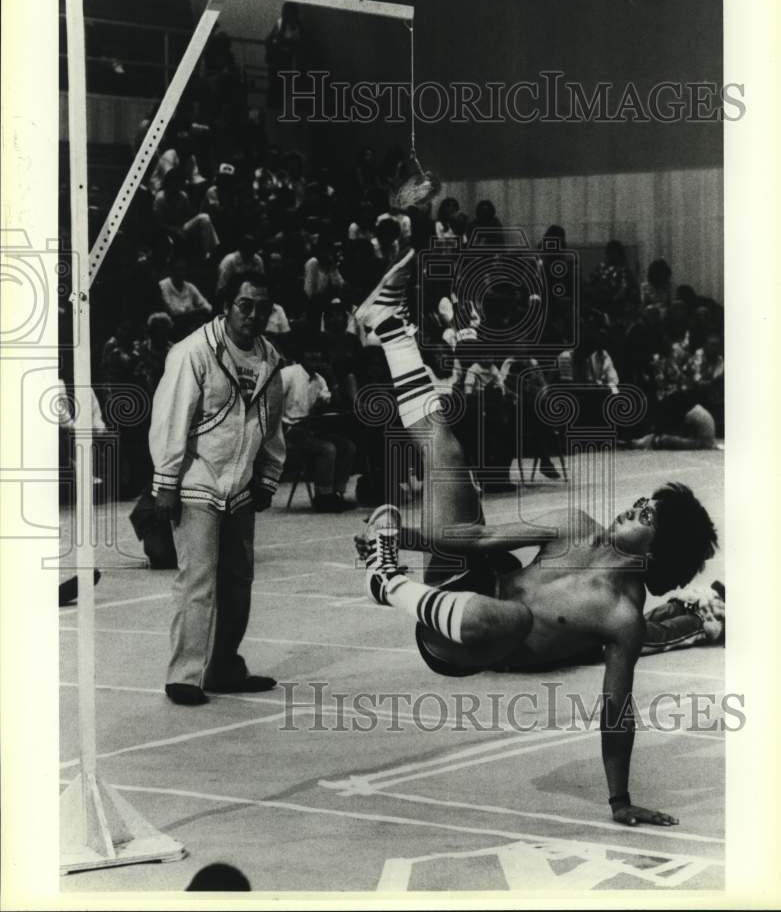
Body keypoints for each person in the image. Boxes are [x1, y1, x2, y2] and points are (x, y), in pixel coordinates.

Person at [351, 248, 718, 827]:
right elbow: (472, 536)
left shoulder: (624, 617)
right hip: (462, 584)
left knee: (514, 620)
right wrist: (409, 536)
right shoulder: (575, 524)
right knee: (444, 445)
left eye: (648, 514)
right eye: (645, 500)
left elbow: (615, 708)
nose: (635, 505)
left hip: (463, 643)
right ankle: (388, 324)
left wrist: (620, 801)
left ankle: (385, 583)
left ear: (658, 550)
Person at [149, 272, 286, 706]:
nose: (253, 314)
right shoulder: (193, 352)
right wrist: (166, 482)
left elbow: (272, 425)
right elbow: (172, 418)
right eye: (245, 305)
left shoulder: (269, 359)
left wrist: (267, 475)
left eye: (261, 307)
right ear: (226, 305)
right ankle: (184, 676)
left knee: (238, 582)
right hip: (196, 482)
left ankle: (223, 666)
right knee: (198, 580)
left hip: (240, 485)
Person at [281, 330, 357, 512]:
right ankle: (323, 497)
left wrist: (331, 378)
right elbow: (271, 403)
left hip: (312, 428)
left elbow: (331, 404)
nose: (315, 356)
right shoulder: (288, 374)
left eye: (318, 352)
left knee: (348, 446)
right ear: (302, 354)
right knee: (327, 449)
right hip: (289, 430)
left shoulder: (320, 378)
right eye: (310, 352)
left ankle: (335, 494)